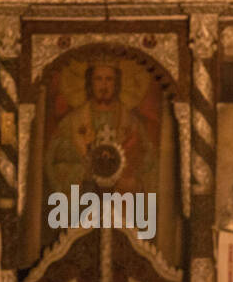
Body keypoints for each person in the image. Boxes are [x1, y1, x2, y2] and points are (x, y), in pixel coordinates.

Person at [45, 63, 156, 195]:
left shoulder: (131, 122)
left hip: (122, 199)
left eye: (109, 79)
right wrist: (82, 174)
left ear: (117, 83)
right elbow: (54, 161)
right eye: (98, 79)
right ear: (90, 83)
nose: (104, 85)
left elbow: (149, 164)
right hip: (83, 198)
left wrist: (131, 180)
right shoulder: (73, 122)